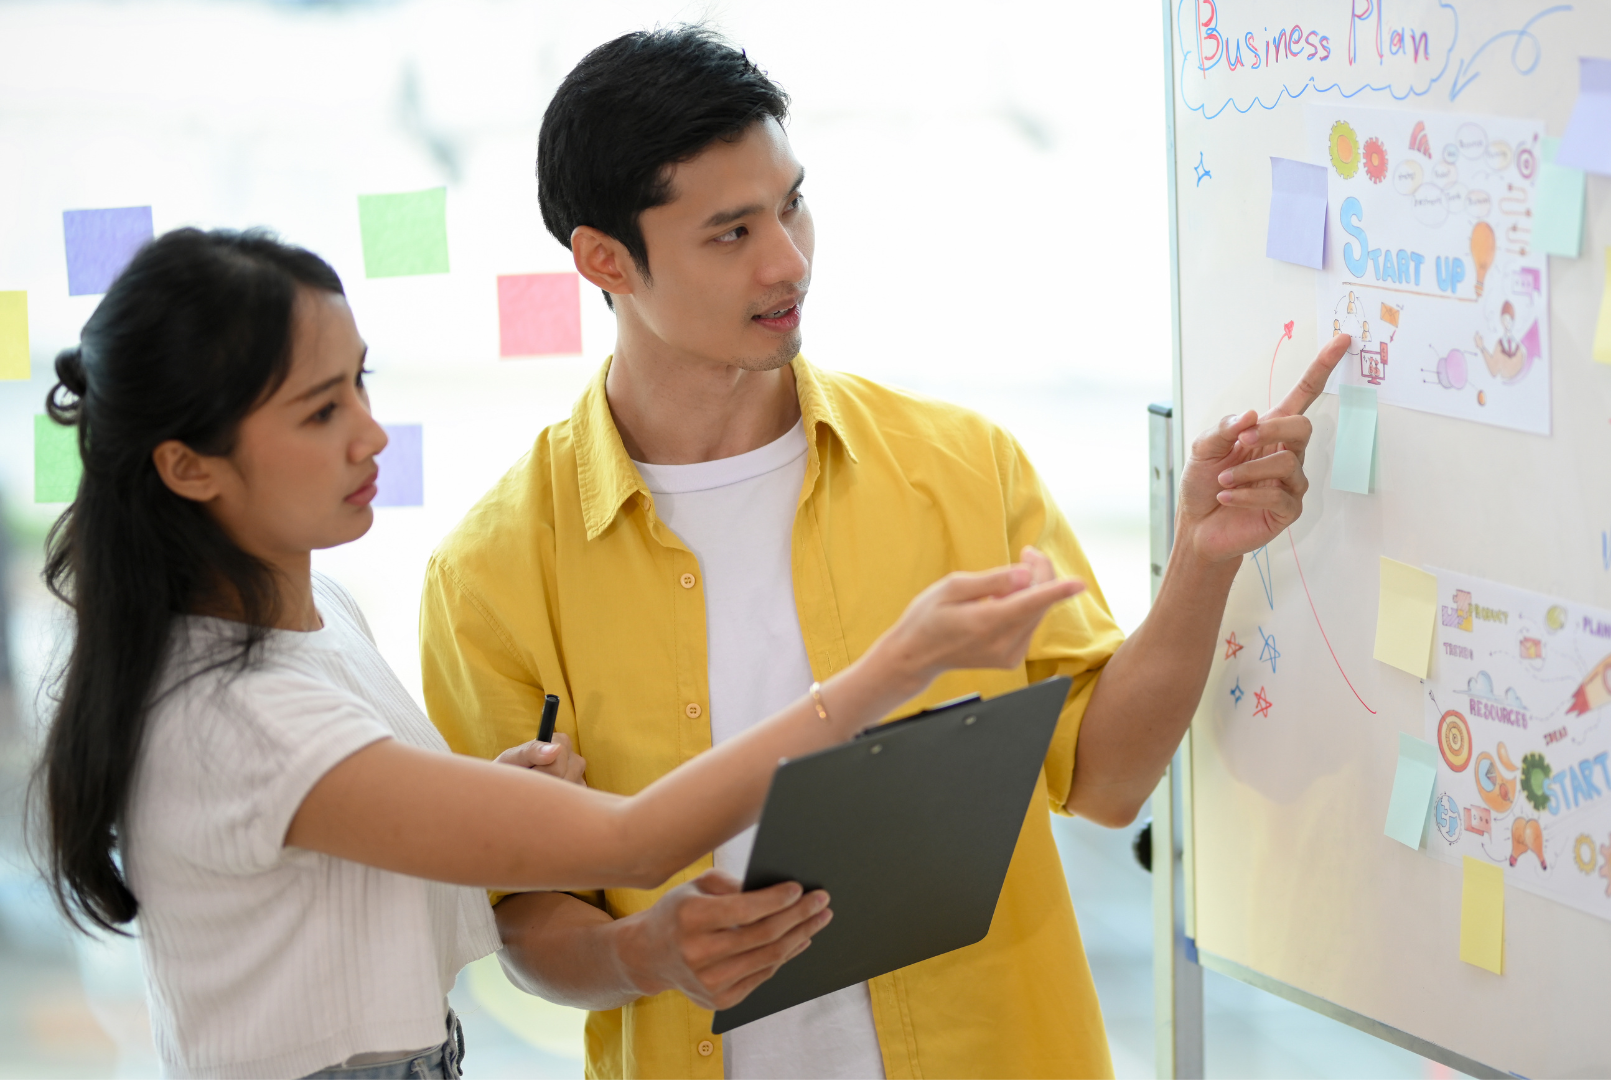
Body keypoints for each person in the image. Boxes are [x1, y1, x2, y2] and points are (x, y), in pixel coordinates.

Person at [422, 26, 1347, 1080]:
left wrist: (1204, 555)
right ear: (603, 259)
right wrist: (640, 953)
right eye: (730, 233)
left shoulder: (959, 466)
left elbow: (1105, 780)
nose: (789, 260)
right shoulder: (491, 574)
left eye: (792, 203)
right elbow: (523, 919)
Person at [29, 227, 1085, 1080]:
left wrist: (482, 801)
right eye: (320, 411)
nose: (372, 435)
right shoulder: (231, 711)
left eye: (362, 383)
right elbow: (628, 845)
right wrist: (892, 669)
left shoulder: (316, 616)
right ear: (187, 466)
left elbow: (351, 863)